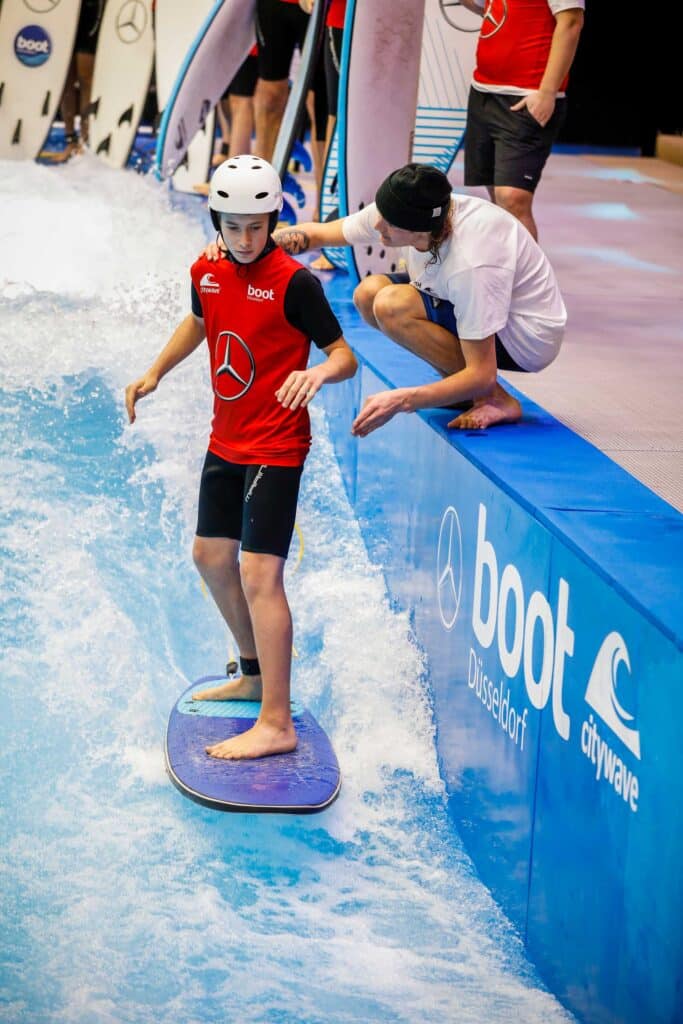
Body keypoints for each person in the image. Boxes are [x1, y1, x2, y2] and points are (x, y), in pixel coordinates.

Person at [125, 156, 357, 760]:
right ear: (217, 220)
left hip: (278, 445)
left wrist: (319, 372)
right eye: (234, 225)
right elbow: (201, 321)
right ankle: (252, 673)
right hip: (226, 438)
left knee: (260, 572)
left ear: (273, 219)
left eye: (257, 225)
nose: (246, 238)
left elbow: (343, 355)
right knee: (209, 556)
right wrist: (154, 371)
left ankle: (276, 722)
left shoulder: (295, 282)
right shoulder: (206, 267)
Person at [217, 162, 564, 435]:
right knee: (369, 294)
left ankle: (497, 402)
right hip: (456, 291)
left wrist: (406, 399)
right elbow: (318, 234)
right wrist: (241, 242)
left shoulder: (470, 264)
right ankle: (461, 393)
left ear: (418, 231)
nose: (377, 226)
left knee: (391, 305)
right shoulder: (407, 209)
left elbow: (482, 372)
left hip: (525, 336)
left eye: (388, 226)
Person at [459, 0, 585, 240]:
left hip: (526, 96)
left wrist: (547, 92)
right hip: (484, 91)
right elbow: (485, 6)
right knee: (498, 197)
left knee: (513, 198)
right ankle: (505, 272)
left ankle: (530, 278)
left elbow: (571, 22)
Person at [58, 0, 104, 156]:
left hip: (91, 10)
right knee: (65, 79)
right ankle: (70, 141)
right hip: (64, 9)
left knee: (86, 77)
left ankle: (85, 141)